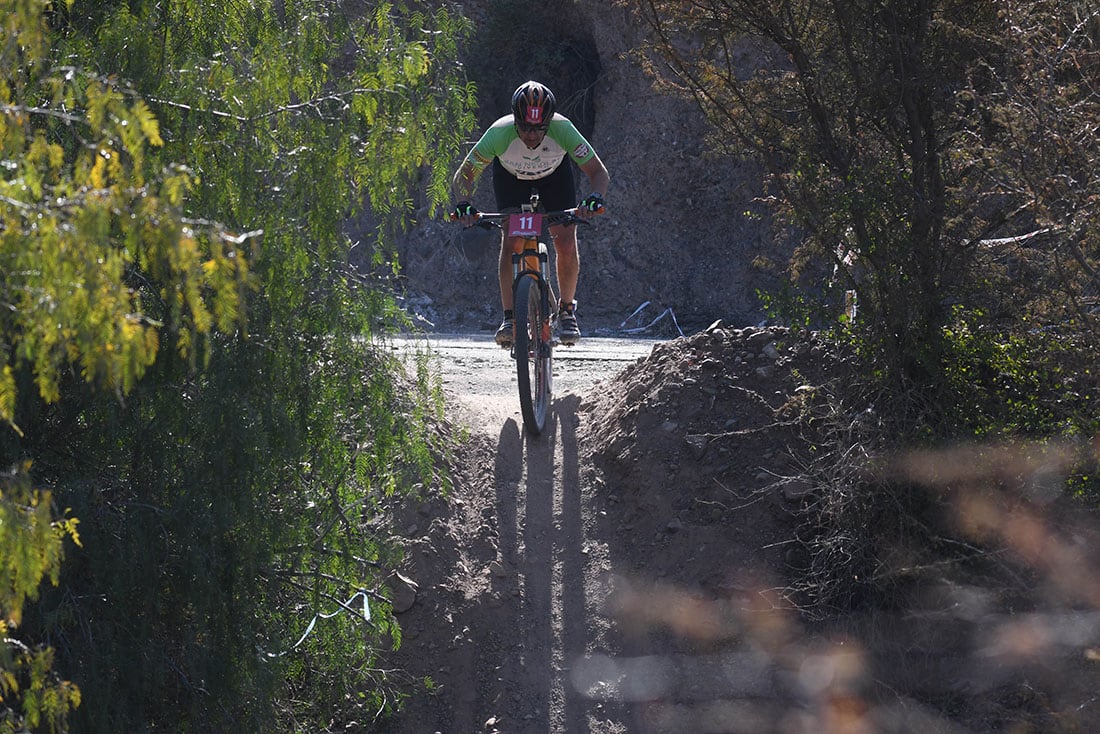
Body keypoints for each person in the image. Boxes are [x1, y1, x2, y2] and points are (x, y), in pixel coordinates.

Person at [451, 80, 610, 347]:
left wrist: (595, 198)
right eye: (524, 128)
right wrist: (464, 203)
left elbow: (598, 173)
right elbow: (464, 176)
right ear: (514, 121)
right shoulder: (498, 134)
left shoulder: (563, 129)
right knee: (511, 241)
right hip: (511, 180)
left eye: (539, 129)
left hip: (554, 179)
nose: (532, 136)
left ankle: (567, 309)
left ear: (550, 123)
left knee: (565, 238)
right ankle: (510, 318)